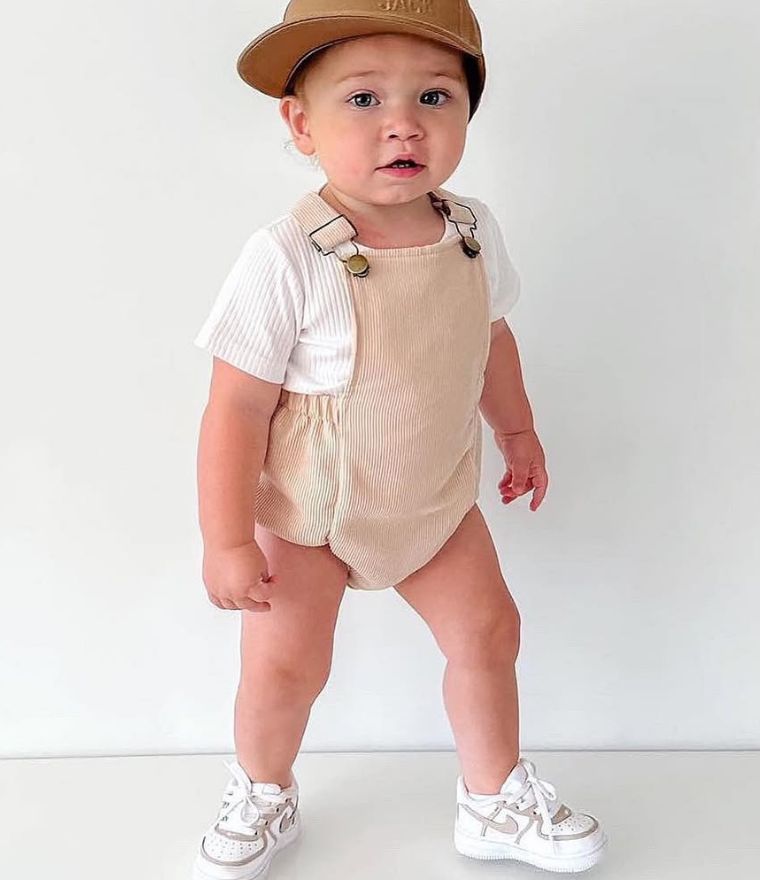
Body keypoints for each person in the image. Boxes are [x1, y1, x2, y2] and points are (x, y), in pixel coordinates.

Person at [191, 2, 608, 878]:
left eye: (433, 96)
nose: (403, 125)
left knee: (490, 633)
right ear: (300, 123)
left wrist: (519, 431)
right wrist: (227, 537)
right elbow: (235, 407)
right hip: (308, 515)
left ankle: (492, 800)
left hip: (432, 502)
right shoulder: (287, 255)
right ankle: (263, 787)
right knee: (284, 668)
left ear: (466, 113)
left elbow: (490, 339)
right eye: (363, 101)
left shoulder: (469, 233)